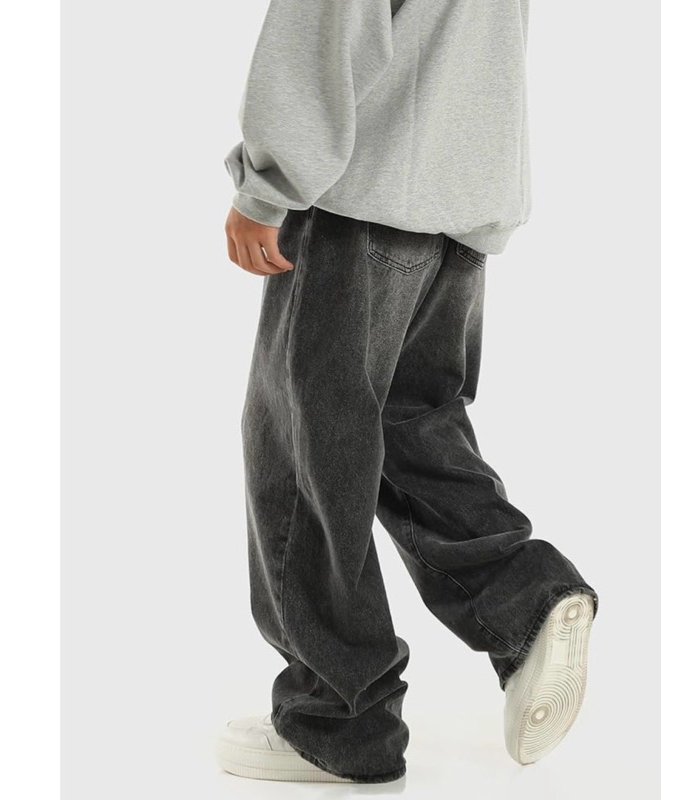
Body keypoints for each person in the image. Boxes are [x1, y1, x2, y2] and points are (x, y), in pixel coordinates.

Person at [215, 0, 599, 784]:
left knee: (304, 455)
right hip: (458, 209)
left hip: (362, 199)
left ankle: (337, 719)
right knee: (408, 428)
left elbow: (326, 26)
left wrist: (266, 185)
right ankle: (523, 600)